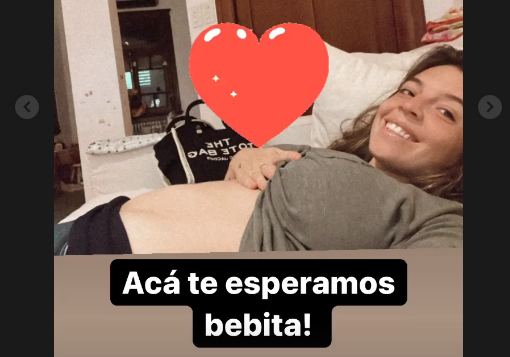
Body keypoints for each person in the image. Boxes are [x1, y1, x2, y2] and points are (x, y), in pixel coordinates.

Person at [61, 46, 463, 255]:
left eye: (445, 112)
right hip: (90, 227)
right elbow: (241, 178)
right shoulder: (335, 158)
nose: (410, 107)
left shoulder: (442, 220)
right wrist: (247, 157)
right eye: (408, 91)